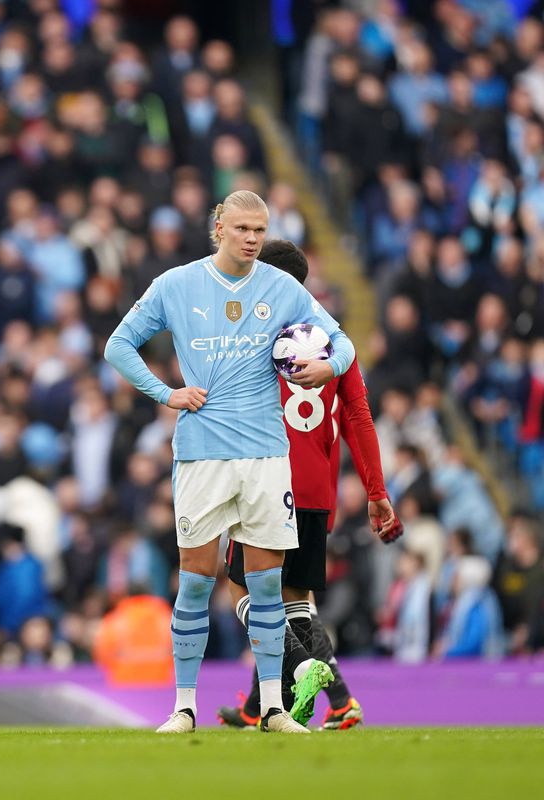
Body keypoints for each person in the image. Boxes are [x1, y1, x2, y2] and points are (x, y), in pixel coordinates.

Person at [104, 189, 356, 734]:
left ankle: (271, 708)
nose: (251, 240)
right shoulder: (176, 285)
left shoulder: (282, 287)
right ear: (218, 226)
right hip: (202, 456)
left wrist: (326, 366)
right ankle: (184, 707)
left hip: (266, 455)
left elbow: (343, 342)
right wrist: (165, 392)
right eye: (242, 229)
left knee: (266, 587)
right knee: (196, 582)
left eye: (260, 232)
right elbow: (118, 345)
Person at [217, 240, 403, 730]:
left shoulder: (250, 338)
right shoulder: (336, 344)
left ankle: (304, 672)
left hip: (265, 483)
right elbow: (360, 418)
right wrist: (376, 491)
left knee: (245, 593)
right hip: (317, 491)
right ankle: (318, 703)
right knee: (295, 599)